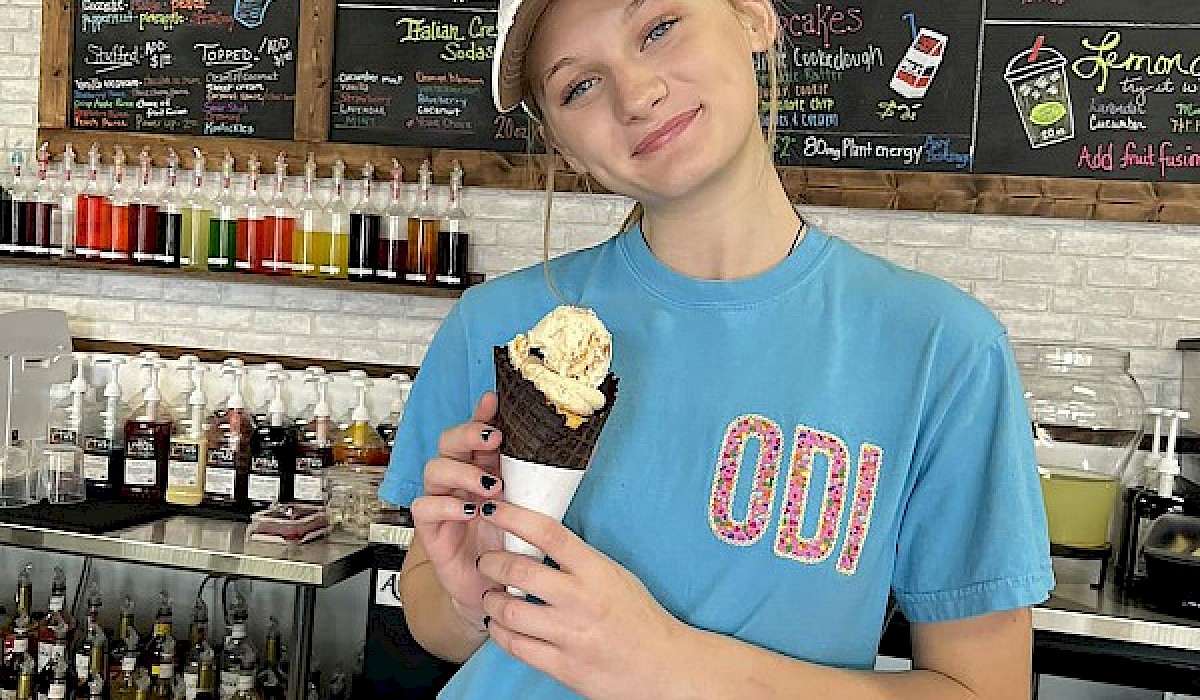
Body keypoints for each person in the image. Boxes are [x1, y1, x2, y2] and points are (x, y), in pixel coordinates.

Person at [379, 0, 1055, 696]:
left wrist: (670, 664)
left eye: (660, 28)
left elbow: (982, 688)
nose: (636, 95)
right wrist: (474, 599)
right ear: (563, 145)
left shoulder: (942, 350)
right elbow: (432, 605)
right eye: (579, 85)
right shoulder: (499, 328)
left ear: (754, 18)